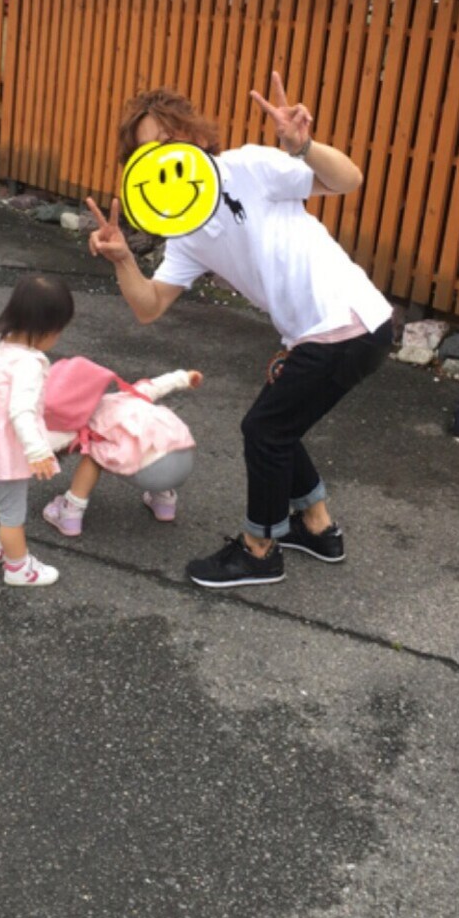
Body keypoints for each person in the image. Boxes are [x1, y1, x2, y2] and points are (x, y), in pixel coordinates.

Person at [85, 73, 394, 590]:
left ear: (196, 136)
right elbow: (150, 306)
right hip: (320, 334)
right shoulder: (184, 230)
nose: (164, 154)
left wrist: (304, 147)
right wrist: (122, 260)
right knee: (276, 422)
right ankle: (318, 528)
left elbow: (347, 180)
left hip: (347, 321)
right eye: (148, 150)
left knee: (265, 429)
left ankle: (260, 550)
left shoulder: (248, 166)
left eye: (170, 138)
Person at [0, 273, 74, 587]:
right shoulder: (29, 363)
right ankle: (19, 568)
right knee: (11, 516)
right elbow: (21, 411)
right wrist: (38, 451)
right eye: (58, 331)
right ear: (45, 329)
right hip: (7, 450)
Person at [41, 357, 202, 537]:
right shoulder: (127, 394)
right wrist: (185, 377)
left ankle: (70, 513)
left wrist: (32, 455)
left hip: (149, 471)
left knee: (94, 455)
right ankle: (164, 502)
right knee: (149, 440)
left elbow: (49, 442)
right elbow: (157, 385)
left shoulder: (81, 424)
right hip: (183, 457)